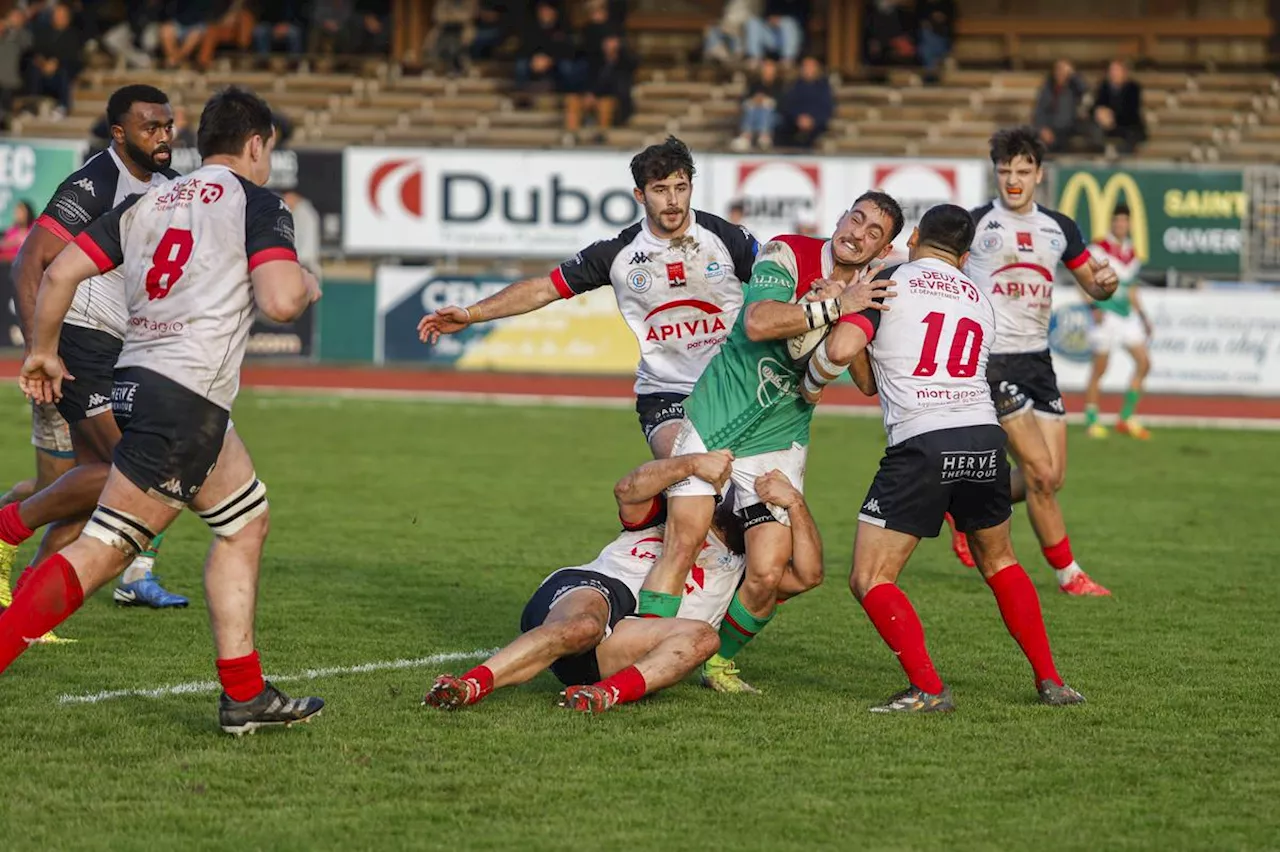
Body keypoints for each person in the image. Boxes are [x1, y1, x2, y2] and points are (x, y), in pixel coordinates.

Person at [6, 86, 325, 735]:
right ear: (257, 144)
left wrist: (42, 350)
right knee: (105, 549)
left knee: (245, 520)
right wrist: (309, 279)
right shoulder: (254, 201)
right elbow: (283, 301)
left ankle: (246, 694)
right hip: (185, 397)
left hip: (142, 380)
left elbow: (61, 269)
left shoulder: (147, 200)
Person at [799, 204, 1085, 712]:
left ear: (913, 240)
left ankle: (928, 689)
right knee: (1000, 560)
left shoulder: (891, 279)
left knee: (870, 578)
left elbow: (845, 352)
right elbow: (874, 377)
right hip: (983, 436)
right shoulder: (979, 299)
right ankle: (1052, 681)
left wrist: (839, 308)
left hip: (922, 442)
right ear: (966, 254)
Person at [635, 192, 901, 692]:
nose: (857, 234)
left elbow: (864, 380)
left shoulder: (872, 290)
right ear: (840, 216)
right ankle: (642, 652)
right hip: (716, 417)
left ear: (882, 250)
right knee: (683, 542)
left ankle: (717, 659)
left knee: (769, 570)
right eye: (856, 219)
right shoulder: (788, 252)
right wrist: (831, 306)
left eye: (873, 233)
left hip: (779, 439)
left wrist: (848, 319)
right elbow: (758, 323)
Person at [418, 137, 760, 460]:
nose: (672, 201)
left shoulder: (724, 237)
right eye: (660, 190)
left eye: (680, 188)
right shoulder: (617, 254)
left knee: (739, 502)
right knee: (687, 464)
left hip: (733, 384)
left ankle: (655, 512)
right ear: (640, 195)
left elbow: (776, 280)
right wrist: (471, 312)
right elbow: (543, 289)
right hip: (667, 393)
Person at [425, 452, 823, 713]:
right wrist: (690, 465)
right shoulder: (673, 516)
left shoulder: (747, 573)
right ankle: (468, 685)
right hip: (594, 589)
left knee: (704, 638)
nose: (765, 524)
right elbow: (626, 490)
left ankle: (604, 695)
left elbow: (809, 574)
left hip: (625, 643)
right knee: (584, 626)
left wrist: (795, 503)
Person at [1, 85, 188, 612]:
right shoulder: (95, 181)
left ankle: (27, 607)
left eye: (168, 125)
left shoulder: (172, 186)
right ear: (119, 133)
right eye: (151, 127)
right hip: (77, 344)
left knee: (89, 488)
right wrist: (44, 350)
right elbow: (27, 263)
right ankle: (6, 530)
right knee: (116, 473)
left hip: (122, 351)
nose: (163, 136)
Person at [951, 127, 1118, 596]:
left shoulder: (1059, 227)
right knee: (1041, 474)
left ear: (1039, 174)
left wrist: (1106, 281)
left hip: (1038, 362)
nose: (1013, 179)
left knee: (1052, 478)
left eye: (1023, 170)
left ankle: (962, 508)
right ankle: (1070, 575)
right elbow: (939, 273)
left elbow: (1095, 284)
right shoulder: (976, 223)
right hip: (991, 361)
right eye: (1005, 171)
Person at [1084, 204, 1152, 440]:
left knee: (1144, 362)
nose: (1121, 225)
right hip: (1107, 314)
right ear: (1112, 223)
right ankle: (1092, 419)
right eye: (1117, 221)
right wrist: (1092, 305)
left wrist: (1142, 315)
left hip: (1126, 316)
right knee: (1100, 368)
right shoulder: (1098, 248)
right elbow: (1082, 277)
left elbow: (1131, 288)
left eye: (1125, 221)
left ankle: (1125, 417)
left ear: (1129, 224)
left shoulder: (1132, 253)